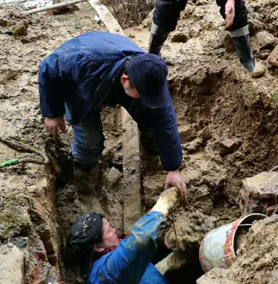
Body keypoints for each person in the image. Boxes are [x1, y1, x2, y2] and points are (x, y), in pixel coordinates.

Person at [39, 32, 187, 210]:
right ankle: (85, 192)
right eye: (143, 95)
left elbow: (165, 122)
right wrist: (52, 113)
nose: (149, 100)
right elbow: (47, 68)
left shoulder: (149, 75)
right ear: (125, 80)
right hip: (83, 84)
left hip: (112, 72)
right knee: (89, 140)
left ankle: (151, 158)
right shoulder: (81, 61)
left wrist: (173, 168)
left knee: (150, 116)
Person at [68, 188, 185, 284]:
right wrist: (161, 206)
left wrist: (163, 267)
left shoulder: (107, 270)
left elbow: (131, 283)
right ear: (97, 247)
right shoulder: (105, 273)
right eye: (109, 229)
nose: (114, 230)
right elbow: (142, 239)